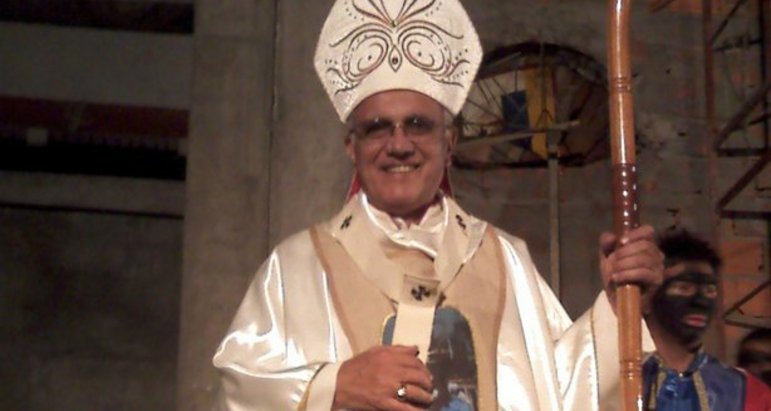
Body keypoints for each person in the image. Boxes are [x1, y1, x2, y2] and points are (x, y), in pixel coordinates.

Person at [212, 1, 665, 410]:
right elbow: (240, 390)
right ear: (352, 146)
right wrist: (334, 385)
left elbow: (561, 390)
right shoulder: (296, 268)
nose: (399, 144)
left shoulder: (503, 259)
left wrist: (618, 309)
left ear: (449, 142)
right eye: (377, 128)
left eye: (418, 125)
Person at [642, 229, 771, 410]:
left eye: (710, 290)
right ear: (648, 297)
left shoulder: (745, 392)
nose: (700, 301)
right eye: (683, 287)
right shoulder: (618, 379)